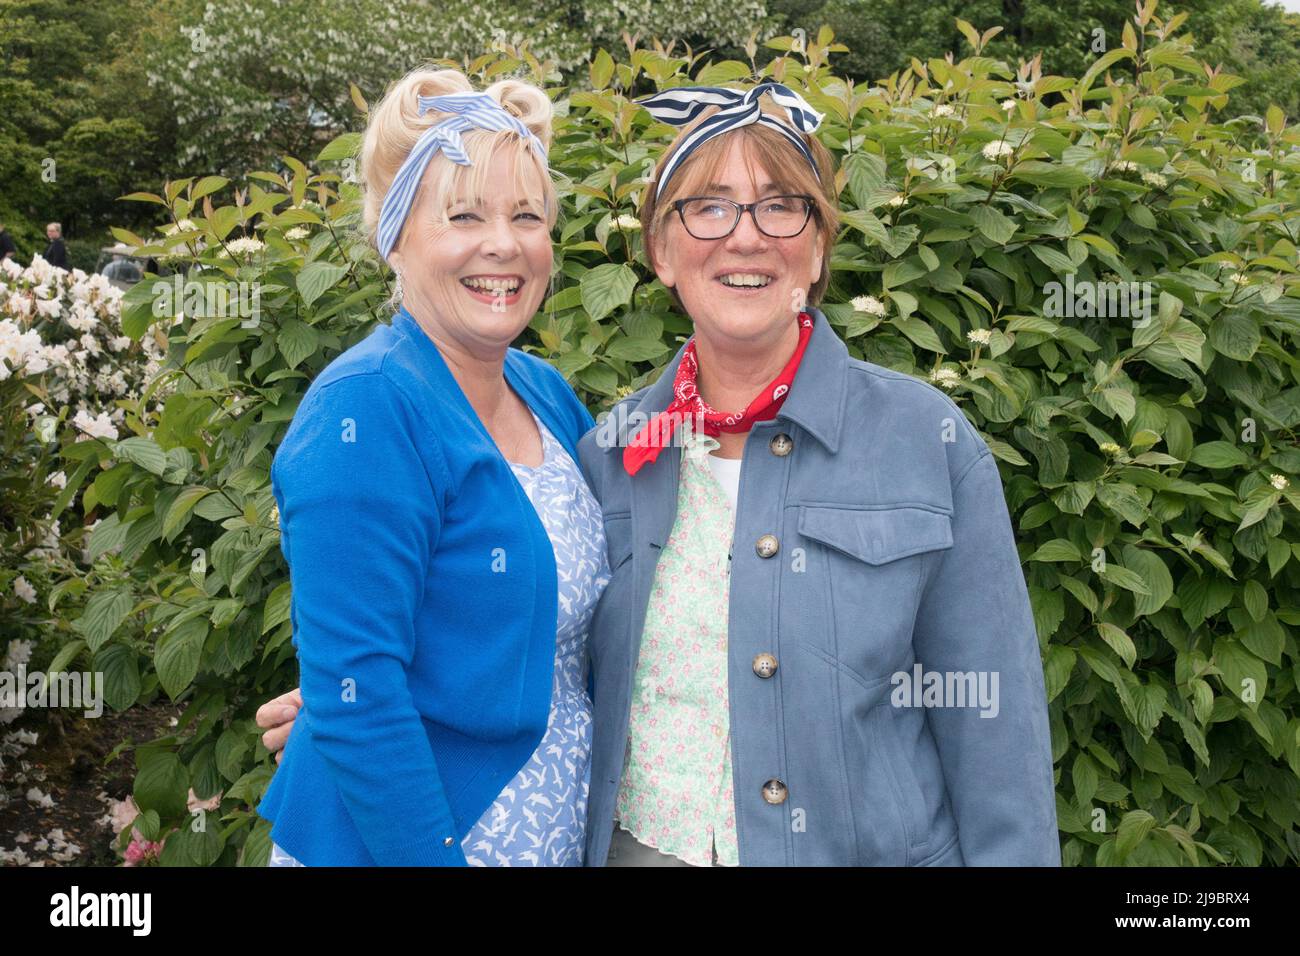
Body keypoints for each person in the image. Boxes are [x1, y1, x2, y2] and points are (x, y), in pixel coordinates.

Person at [260, 81, 1060, 867]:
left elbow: (995, 730)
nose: (745, 235)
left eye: (782, 204)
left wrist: (358, 703)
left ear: (818, 247)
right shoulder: (616, 448)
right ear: (661, 251)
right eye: (708, 206)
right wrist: (351, 706)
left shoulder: (923, 441)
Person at [253, 67, 609, 866]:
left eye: (528, 215)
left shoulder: (541, 391)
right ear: (394, 233)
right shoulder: (367, 407)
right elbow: (362, 699)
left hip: (542, 829)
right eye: (464, 215)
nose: (504, 243)